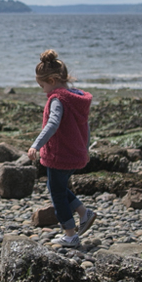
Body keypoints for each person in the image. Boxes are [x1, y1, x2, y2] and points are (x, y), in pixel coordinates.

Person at [27, 49, 96, 248]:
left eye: (42, 85)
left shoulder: (57, 99)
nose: (43, 90)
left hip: (60, 155)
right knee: (57, 187)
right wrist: (85, 148)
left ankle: (70, 233)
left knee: (57, 193)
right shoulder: (77, 98)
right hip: (75, 154)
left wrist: (35, 145)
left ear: (53, 79)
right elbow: (85, 126)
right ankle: (84, 213)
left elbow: (52, 123)